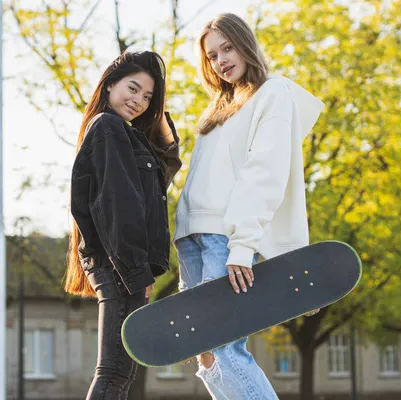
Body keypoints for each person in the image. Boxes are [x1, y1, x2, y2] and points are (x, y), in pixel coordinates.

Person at [173, 13, 325, 399]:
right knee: (204, 353)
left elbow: (264, 173)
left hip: (226, 238)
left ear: (246, 44)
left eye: (227, 47)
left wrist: (243, 246)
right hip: (192, 238)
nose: (221, 60)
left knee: (224, 348)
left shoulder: (271, 94)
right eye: (211, 55)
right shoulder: (217, 110)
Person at [64, 51, 182, 400]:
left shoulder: (125, 135)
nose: (139, 101)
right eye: (133, 89)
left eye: (147, 97)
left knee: (121, 374)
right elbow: (118, 204)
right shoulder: (108, 127)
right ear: (110, 84)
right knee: (114, 371)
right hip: (119, 264)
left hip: (120, 263)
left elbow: (165, 170)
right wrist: (136, 273)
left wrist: (158, 113)